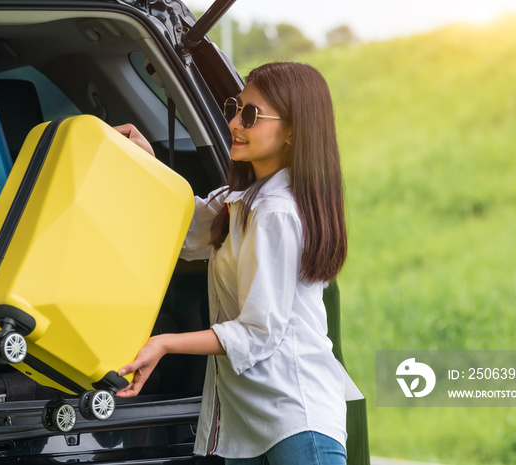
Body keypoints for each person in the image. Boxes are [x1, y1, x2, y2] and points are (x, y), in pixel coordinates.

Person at [115, 62, 348, 465]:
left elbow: (258, 333)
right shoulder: (239, 200)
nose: (235, 123)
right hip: (250, 426)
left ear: (292, 131)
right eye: (234, 108)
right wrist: (146, 162)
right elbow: (182, 229)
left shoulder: (275, 211)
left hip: (296, 422)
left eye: (251, 115)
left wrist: (165, 343)